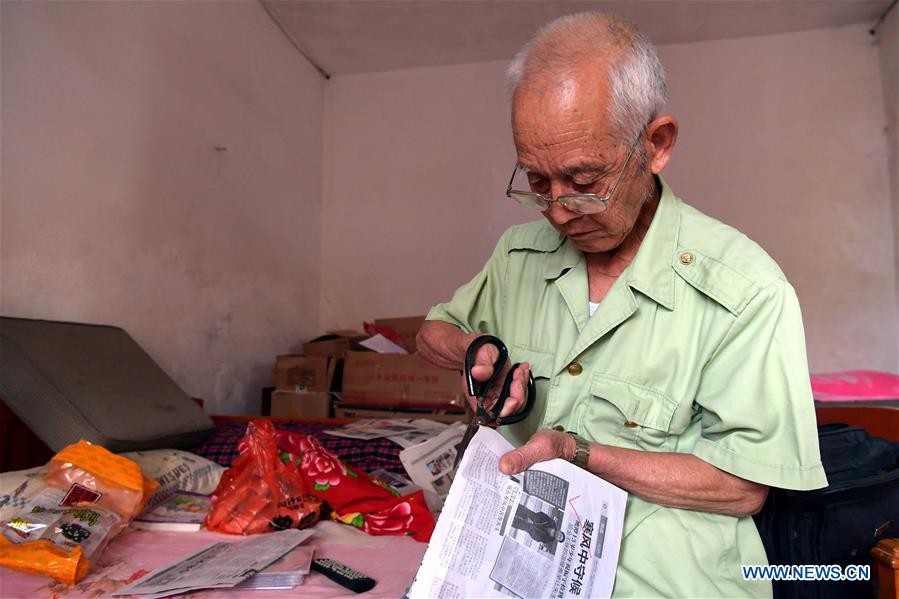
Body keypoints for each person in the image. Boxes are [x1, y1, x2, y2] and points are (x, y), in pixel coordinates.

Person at [416, 11, 827, 598]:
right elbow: (433, 330)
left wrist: (576, 453)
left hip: (667, 582)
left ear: (656, 145)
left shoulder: (746, 290)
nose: (558, 210)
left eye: (584, 180)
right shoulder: (518, 255)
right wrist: (472, 348)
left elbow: (743, 486)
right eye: (537, 182)